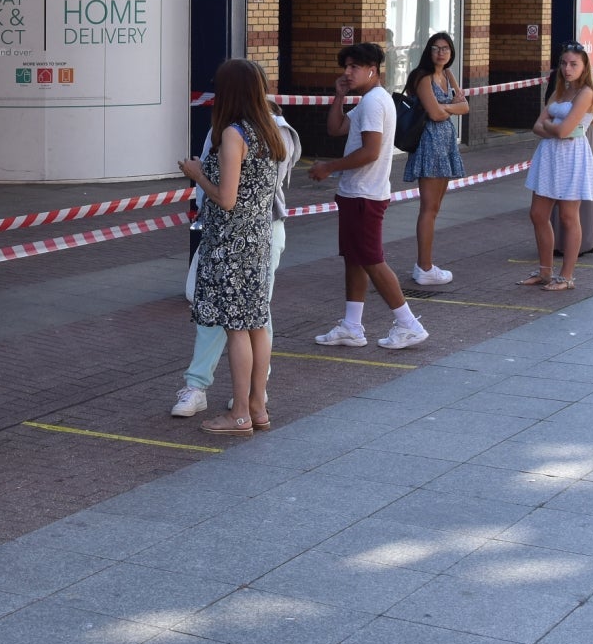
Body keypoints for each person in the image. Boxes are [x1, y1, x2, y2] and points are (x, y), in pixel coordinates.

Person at [179, 60, 289, 438]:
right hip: (259, 238)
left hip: (230, 243)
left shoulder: (233, 134)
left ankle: (240, 413)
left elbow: (226, 198)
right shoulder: (270, 131)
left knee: (236, 327)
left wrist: (197, 174)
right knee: (257, 324)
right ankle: (258, 406)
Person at [306, 42, 430, 351]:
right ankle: (352, 325)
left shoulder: (376, 101)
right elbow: (336, 128)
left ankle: (408, 323)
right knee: (355, 259)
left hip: (365, 194)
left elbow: (371, 151)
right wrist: (338, 96)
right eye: (345, 67)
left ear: (372, 69)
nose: (347, 73)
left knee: (372, 260)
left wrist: (329, 167)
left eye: (353, 67)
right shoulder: (368, 100)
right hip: (356, 193)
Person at [522, 44, 593, 290]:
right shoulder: (559, 91)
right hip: (549, 154)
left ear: (584, 66)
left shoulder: (586, 93)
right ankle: (545, 271)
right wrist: (558, 129)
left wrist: (554, 128)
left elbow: (564, 131)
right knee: (538, 214)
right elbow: (536, 126)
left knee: (568, 216)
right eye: (564, 63)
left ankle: (566, 276)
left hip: (572, 157)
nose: (567, 68)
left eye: (574, 64)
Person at [403, 32, 467, 283]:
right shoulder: (423, 77)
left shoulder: (447, 76)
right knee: (428, 208)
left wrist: (447, 107)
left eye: (446, 48)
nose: (441, 53)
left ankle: (426, 265)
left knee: (436, 207)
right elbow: (435, 114)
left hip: (446, 143)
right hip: (429, 143)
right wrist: (451, 108)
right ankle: (424, 267)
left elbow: (465, 107)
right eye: (435, 48)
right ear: (428, 51)